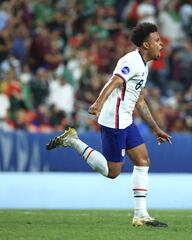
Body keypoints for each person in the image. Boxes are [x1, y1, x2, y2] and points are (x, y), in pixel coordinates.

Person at [46, 22, 172, 227]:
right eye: (157, 41)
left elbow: (139, 100)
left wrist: (156, 128)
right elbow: (114, 81)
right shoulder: (131, 60)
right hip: (114, 119)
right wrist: (98, 103)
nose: (161, 44)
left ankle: (140, 215)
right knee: (113, 172)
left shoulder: (144, 65)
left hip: (126, 119)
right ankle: (73, 141)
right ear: (146, 45)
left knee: (143, 160)